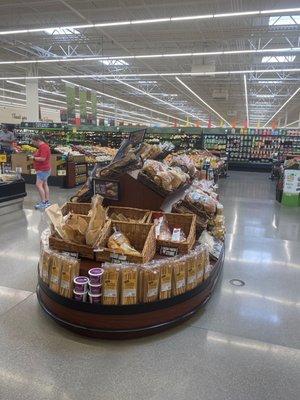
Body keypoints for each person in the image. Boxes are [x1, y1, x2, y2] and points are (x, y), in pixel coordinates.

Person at [31, 134, 51, 209]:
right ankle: (47, 201)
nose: (33, 143)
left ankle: (43, 202)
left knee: (38, 185)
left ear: (38, 140)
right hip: (44, 169)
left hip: (43, 170)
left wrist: (33, 158)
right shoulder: (43, 146)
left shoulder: (43, 147)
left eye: (33, 142)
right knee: (45, 184)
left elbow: (43, 158)